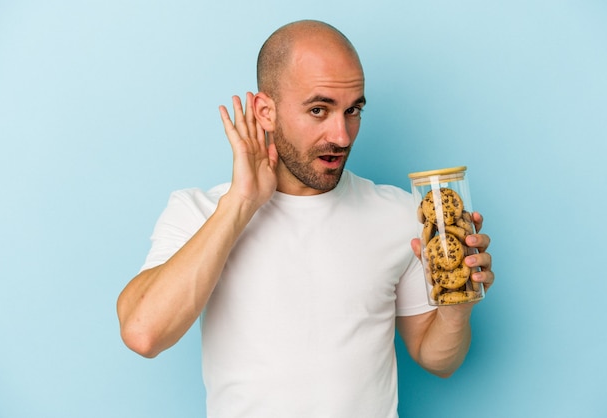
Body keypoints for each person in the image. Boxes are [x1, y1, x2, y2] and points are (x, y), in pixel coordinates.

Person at [117, 19, 494, 418]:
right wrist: (240, 203)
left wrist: (457, 308)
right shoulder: (200, 213)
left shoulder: (398, 214)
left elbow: (437, 359)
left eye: (353, 111)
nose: (343, 135)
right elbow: (144, 333)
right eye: (319, 110)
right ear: (265, 111)